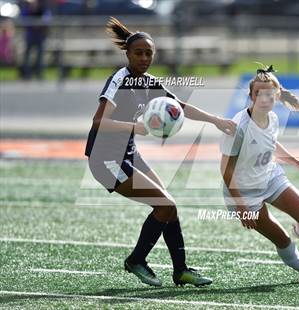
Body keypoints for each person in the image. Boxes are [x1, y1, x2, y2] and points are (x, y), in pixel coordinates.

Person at [85, 17, 236, 287]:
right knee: (165, 205)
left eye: (148, 53)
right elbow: (98, 121)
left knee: (169, 208)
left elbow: (180, 106)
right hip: (105, 159)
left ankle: (181, 271)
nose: (144, 58)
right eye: (138, 53)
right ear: (127, 54)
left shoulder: (149, 81)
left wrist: (217, 121)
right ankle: (136, 260)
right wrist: (136, 127)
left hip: (128, 154)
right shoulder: (120, 80)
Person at [220, 64, 299, 284]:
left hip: (270, 177)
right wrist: (240, 206)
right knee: (281, 239)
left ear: (276, 96)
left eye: (269, 94)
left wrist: (298, 163)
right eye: (258, 93)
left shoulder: (273, 119)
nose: (264, 98)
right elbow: (226, 169)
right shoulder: (238, 126)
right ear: (251, 95)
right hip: (244, 192)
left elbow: (271, 143)